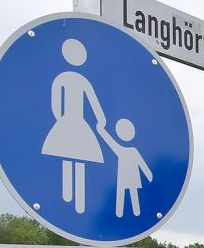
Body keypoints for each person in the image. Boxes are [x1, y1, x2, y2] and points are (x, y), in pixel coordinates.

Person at [41, 38, 106, 214]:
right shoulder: (63, 78)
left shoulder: (78, 80)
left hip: (72, 122)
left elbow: (92, 102)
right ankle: (69, 198)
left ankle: (79, 203)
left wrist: (99, 118)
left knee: (79, 158)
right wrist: (62, 120)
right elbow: (56, 102)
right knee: (70, 156)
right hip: (70, 122)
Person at [97, 119, 153, 218]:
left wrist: (149, 175)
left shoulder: (132, 151)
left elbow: (141, 163)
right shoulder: (122, 150)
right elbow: (110, 142)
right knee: (121, 194)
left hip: (131, 177)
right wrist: (101, 130)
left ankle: (135, 213)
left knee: (132, 194)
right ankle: (120, 214)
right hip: (123, 177)